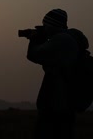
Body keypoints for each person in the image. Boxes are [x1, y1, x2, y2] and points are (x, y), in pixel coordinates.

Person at [26, 9, 79, 139]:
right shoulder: (68, 39)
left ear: (51, 25)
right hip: (64, 102)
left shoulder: (61, 40)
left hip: (56, 103)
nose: (43, 28)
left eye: (45, 26)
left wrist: (34, 39)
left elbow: (33, 55)